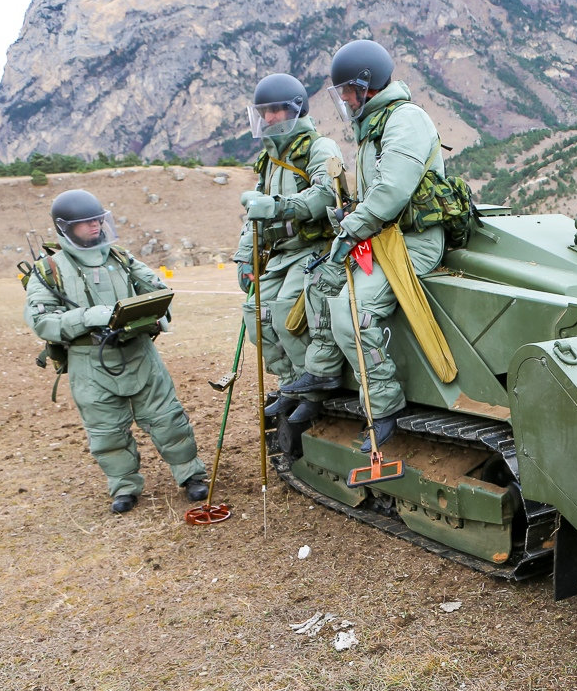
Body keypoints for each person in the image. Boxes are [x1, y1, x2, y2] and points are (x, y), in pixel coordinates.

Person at [281, 39, 445, 451]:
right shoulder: (374, 125)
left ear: (365, 85)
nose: (344, 99)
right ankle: (322, 376)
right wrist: (348, 215)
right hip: (380, 237)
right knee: (319, 283)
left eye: (347, 91)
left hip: (412, 241)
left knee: (353, 311)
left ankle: (383, 406)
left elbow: (391, 192)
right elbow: (376, 196)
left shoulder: (405, 120)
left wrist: (351, 228)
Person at [24, 189, 209, 513]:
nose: (95, 225)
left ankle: (191, 475)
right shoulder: (48, 270)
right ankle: (124, 487)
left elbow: (157, 290)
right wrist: (91, 316)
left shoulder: (120, 257)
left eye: (98, 219)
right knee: (106, 432)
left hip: (138, 352)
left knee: (168, 419)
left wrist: (156, 315)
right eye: (85, 222)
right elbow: (42, 321)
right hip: (88, 362)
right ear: (65, 227)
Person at [232, 72, 343, 424]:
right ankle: (290, 384)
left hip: (312, 248)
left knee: (285, 315)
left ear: (296, 109)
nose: (269, 118)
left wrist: (278, 207)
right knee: (256, 316)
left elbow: (326, 194)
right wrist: (245, 256)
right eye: (263, 112)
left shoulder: (319, 148)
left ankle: (311, 393)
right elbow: (254, 214)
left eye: (276, 110)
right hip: (279, 254)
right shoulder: (269, 159)